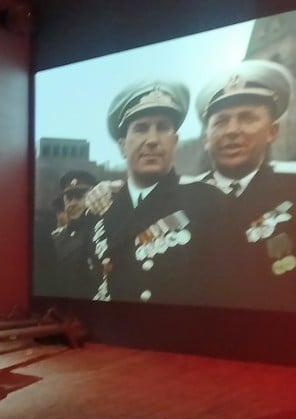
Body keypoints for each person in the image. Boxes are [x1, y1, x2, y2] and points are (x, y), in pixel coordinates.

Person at [90, 80, 228, 304]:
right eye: (141, 128)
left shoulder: (206, 202)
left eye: (162, 128)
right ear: (123, 146)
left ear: (174, 142)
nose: (152, 140)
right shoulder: (101, 210)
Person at [194, 59, 296, 310]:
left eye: (247, 118)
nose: (232, 130)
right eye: (221, 121)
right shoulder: (180, 198)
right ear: (206, 138)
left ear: (272, 131)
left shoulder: (291, 189)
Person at [51, 170, 102, 299]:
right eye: (68, 198)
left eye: (79, 196)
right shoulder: (58, 238)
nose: (72, 203)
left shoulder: (104, 233)